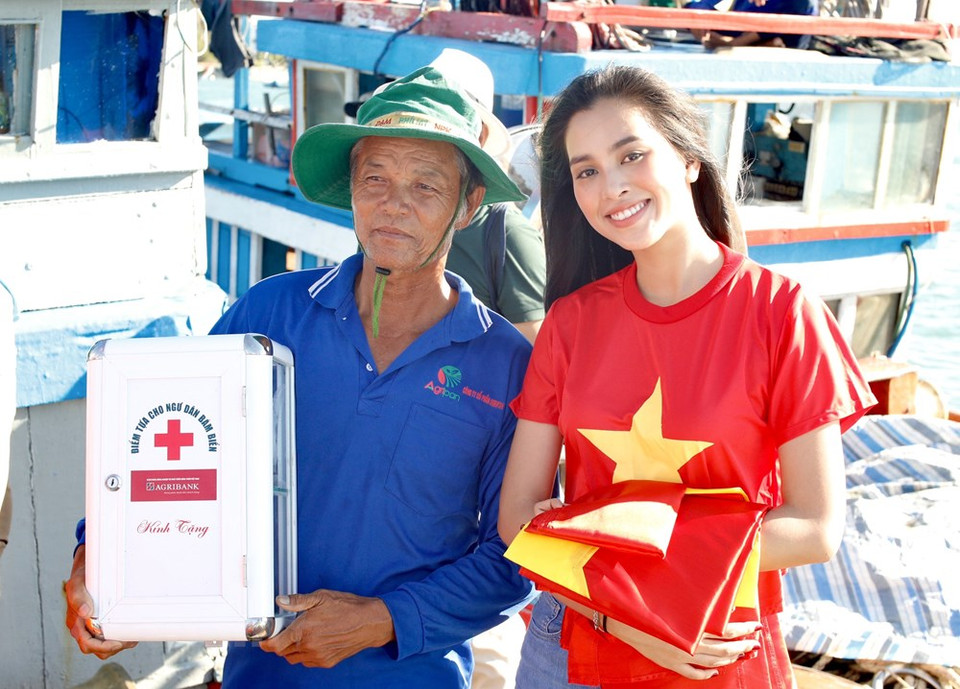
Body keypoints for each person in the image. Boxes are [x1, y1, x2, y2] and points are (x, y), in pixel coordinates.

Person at [66, 66, 535, 688]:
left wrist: (382, 621)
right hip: (260, 674)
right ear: (351, 190)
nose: (394, 204)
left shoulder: (505, 363)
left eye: (426, 185)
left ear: (468, 205)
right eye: (375, 178)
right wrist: (98, 561)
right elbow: (164, 445)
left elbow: (517, 560)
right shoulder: (269, 314)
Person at [496, 65, 875, 687]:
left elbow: (815, 527)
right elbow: (517, 516)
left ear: (690, 159)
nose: (612, 185)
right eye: (586, 171)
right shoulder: (569, 322)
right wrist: (625, 618)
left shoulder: (781, 312)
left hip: (720, 647)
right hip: (579, 638)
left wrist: (651, 598)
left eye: (632, 155)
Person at [428, 49, 546, 345]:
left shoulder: (508, 235)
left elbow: (533, 354)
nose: (429, 133)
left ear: (479, 137)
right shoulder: (388, 218)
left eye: (445, 120)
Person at [686, 0, 819, 50]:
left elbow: (773, 34)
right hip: (737, 33)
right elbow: (700, 6)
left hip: (775, 52)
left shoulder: (801, 3)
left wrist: (731, 44)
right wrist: (699, 12)